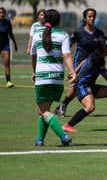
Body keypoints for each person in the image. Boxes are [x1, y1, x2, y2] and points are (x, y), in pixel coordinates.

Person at [62, 36, 107, 132]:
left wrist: (75, 72)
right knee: (90, 107)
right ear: (104, 48)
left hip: (89, 85)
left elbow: (84, 61)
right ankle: (68, 125)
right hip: (81, 85)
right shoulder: (98, 60)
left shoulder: (97, 55)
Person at [31, 9, 76, 146]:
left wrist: (34, 72)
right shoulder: (63, 35)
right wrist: (73, 72)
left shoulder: (37, 34)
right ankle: (40, 140)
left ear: (45, 20)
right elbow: (67, 55)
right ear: (59, 21)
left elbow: (34, 56)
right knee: (44, 111)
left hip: (43, 76)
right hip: (57, 77)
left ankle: (63, 136)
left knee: (43, 111)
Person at [54, 8, 106, 116]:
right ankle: (63, 104)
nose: (92, 18)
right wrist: (62, 54)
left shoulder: (99, 33)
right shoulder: (79, 32)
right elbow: (68, 44)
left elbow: (103, 47)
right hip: (80, 61)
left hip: (93, 63)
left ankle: (63, 104)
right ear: (85, 18)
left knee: (86, 83)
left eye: (93, 16)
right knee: (77, 82)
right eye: (89, 16)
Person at [0, 7, 18, 88]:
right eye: (0, 12)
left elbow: (10, 34)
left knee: (7, 62)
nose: (2, 14)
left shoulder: (7, 22)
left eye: (3, 12)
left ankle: (8, 81)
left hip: (5, 45)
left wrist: (14, 43)